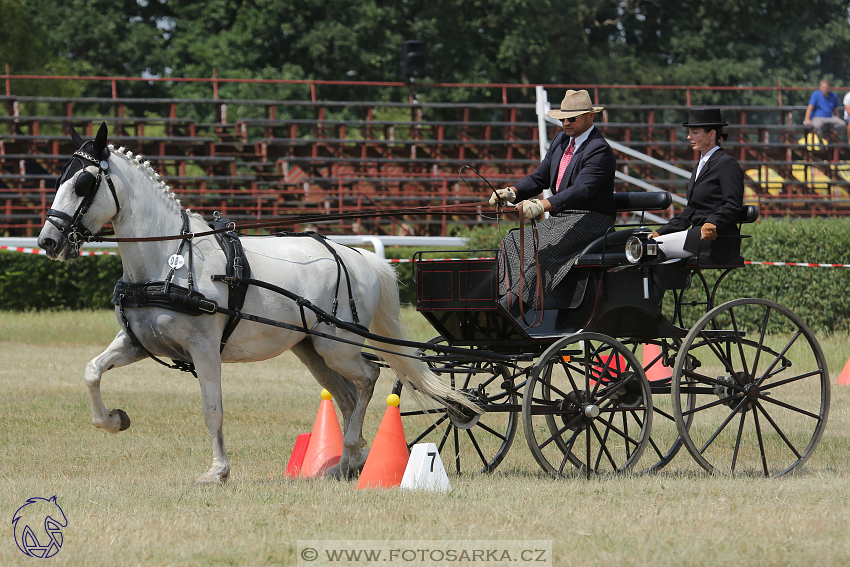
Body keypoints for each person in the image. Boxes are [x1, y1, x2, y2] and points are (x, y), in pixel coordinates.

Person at [489, 89, 617, 308]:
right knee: (512, 241)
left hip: (592, 219)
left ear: (589, 117)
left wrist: (542, 205)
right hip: (563, 217)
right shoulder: (561, 140)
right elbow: (541, 177)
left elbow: (581, 189)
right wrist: (513, 192)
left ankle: (519, 307)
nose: (566, 123)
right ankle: (505, 297)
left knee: (541, 250)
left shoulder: (599, 149)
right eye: (563, 119)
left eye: (572, 118)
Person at [651, 108, 744, 262]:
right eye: (690, 132)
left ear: (712, 134)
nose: (689, 136)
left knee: (652, 248)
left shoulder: (727, 164)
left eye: (695, 132)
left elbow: (733, 204)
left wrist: (713, 222)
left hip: (716, 239)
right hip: (697, 235)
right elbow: (691, 210)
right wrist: (662, 231)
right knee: (648, 244)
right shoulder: (701, 164)